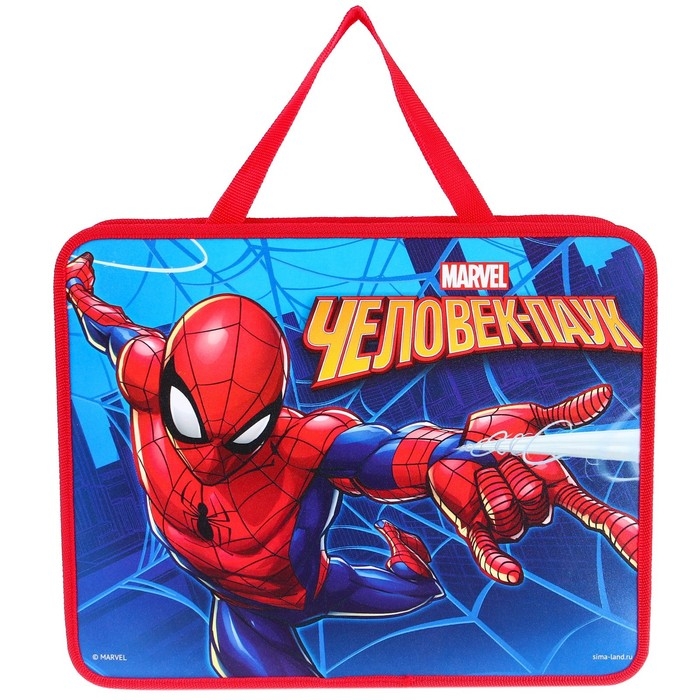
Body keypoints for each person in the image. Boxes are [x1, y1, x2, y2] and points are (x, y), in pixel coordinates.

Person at [66, 252, 638, 678]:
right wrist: (79, 289)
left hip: (300, 588)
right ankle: (407, 568)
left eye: (243, 437)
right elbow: (108, 323)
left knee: (415, 589)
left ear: (269, 412)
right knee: (247, 664)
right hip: (242, 606)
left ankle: (411, 565)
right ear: (165, 380)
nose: (212, 458)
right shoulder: (143, 367)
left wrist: (465, 456)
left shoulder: (299, 442)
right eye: (191, 424)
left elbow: (380, 452)